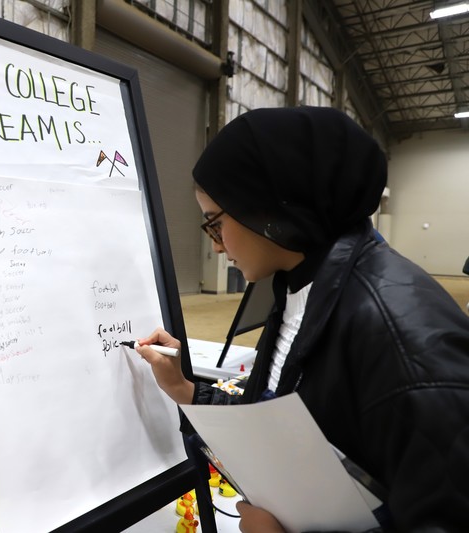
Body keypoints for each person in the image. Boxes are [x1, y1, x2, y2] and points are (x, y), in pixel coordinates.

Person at [135, 106, 469, 532]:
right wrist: (187, 389)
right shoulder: (296, 285)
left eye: (215, 223)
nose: (216, 247)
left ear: (267, 211)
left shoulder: (401, 338)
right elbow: (286, 412)